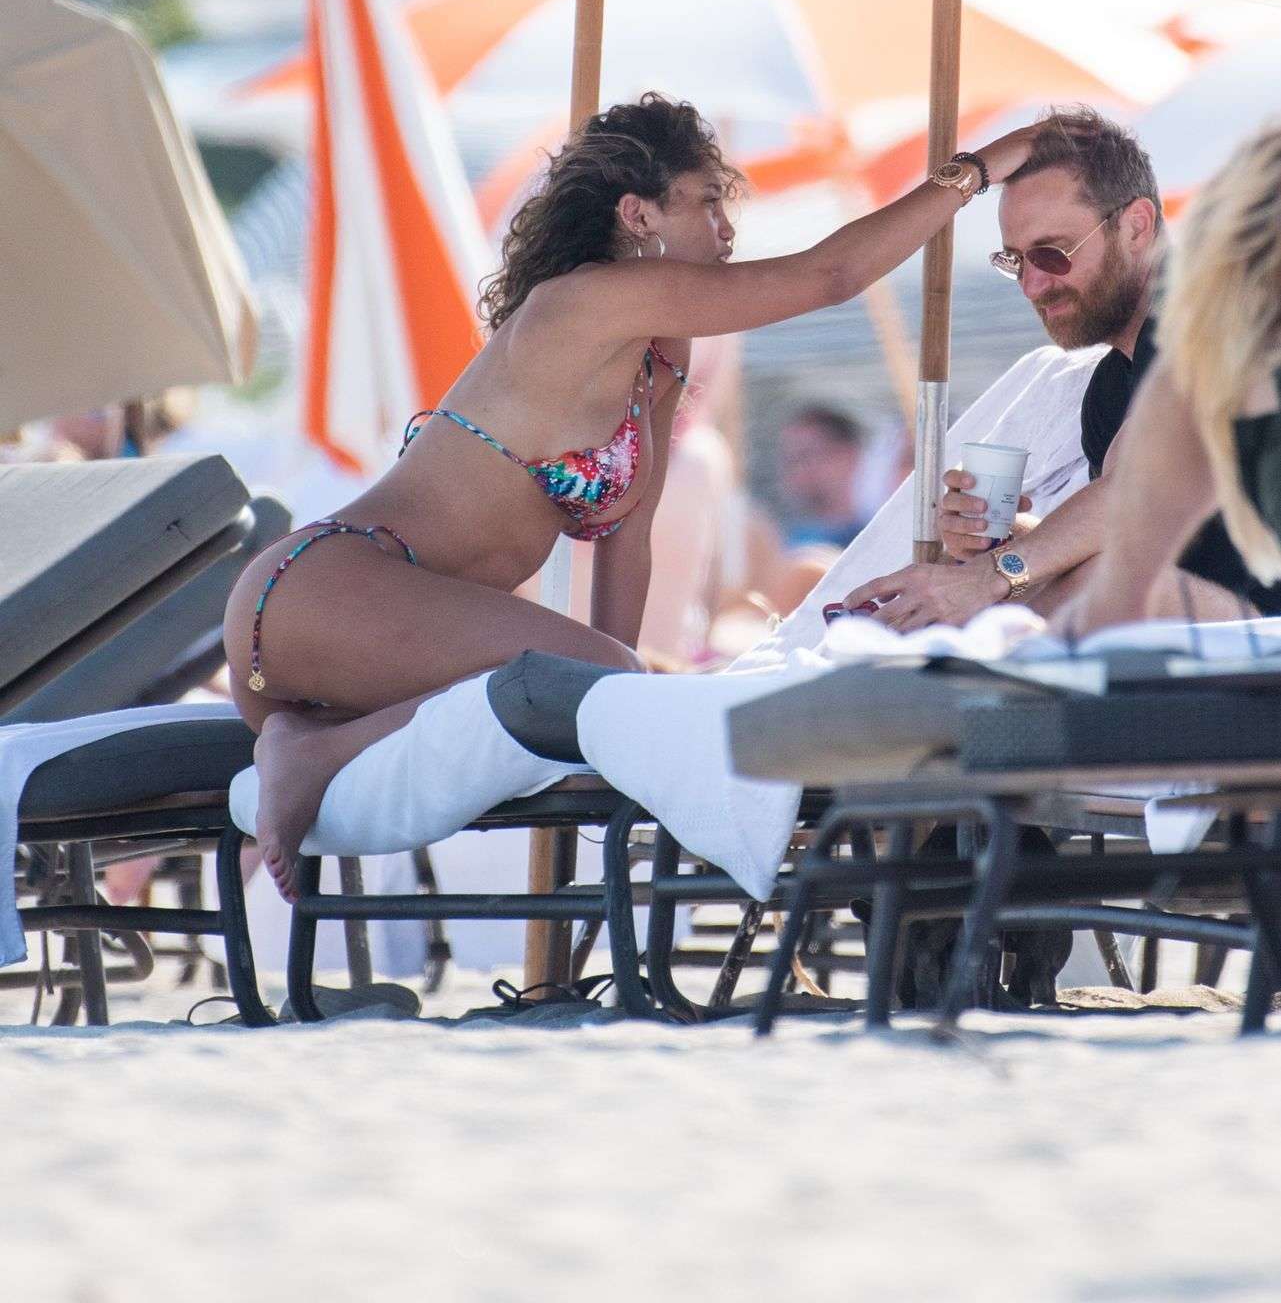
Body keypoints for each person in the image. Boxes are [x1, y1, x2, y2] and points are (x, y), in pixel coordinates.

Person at [221, 92, 1033, 896]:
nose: (726, 228)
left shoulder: (660, 351)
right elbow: (830, 275)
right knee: (606, 671)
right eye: (706, 202)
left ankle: (311, 737)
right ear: (637, 214)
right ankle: (313, 752)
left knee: (610, 676)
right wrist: (979, 168)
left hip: (355, 660)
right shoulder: (588, 299)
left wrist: (605, 710)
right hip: (316, 594)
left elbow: (626, 542)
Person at [843, 108, 1256, 632]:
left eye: (1053, 254)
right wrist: (1000, 538)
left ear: (1136, 226)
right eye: (1015, 261)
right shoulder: (1111, 385)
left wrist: (992, 577)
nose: (1031, 286)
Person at [1064, 122, 1281, 635]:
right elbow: (1125, 548)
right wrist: (1008, 555)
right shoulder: (1186, 368)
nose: (1033, 281)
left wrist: (1003, 573)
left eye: (1054, 252)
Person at [776, 403, 871, 549]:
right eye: (789, 461)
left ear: (849, 453)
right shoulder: (797, 546)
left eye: (806, 456)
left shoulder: (884, 528)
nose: (797, 470)